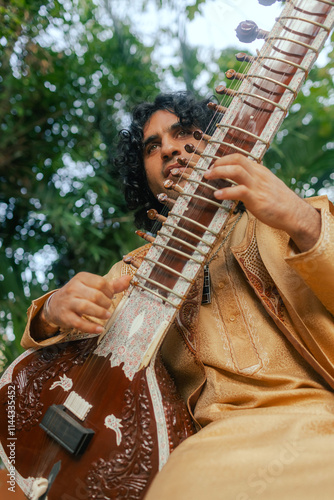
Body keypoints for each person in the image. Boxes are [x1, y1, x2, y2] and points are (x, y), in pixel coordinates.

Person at [22, 92, 334, 500]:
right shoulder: (134, 271)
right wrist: (50, 311)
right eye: (152, 147)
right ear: (145, 176)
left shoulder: (286, 219)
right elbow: (63, 359)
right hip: (203, 447)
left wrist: (301, 219)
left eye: (183, 133)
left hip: (316, 419)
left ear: (218, 144)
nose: (168, 148)